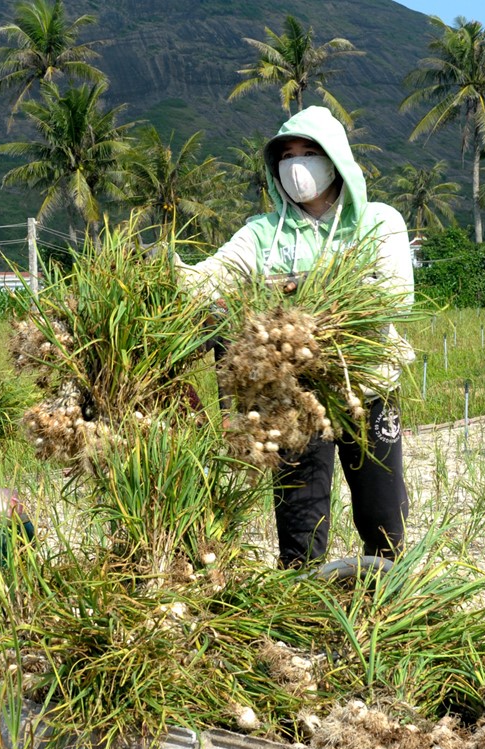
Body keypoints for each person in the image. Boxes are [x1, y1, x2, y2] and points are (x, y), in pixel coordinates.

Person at [180, 106, 414, 569]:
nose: (296, 165)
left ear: (335, 159)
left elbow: (395, 295)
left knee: (383, 509)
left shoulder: (378, 222)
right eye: (286, 155)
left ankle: (390, 593)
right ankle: (301, 602)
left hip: (366, 385)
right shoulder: (263, 233)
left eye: (309, 152)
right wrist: (167, 275)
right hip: (293, 395)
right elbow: (213, 277)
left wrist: (297, 296)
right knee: (300, 515)